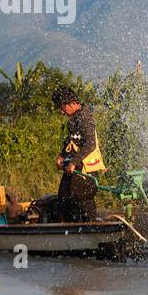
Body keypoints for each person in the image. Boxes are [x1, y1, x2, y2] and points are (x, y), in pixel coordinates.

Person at [45, 86, 105, 222]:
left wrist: (73, 162)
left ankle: (92, 229)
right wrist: (61, 155)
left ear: (72, 103)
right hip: (75, 165)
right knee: (64, 196)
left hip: (86, 169)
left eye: (62, 107)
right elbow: (71, 140)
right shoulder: (73, 119)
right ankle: (69, 231)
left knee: (80, 198)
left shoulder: (84, 117)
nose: (61, 112)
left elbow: (90, 144)